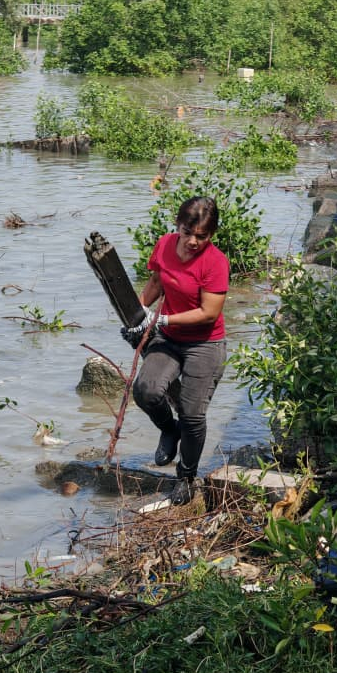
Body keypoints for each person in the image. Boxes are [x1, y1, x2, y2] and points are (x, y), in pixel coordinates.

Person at [121, 196, 230, 506]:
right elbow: (156, 281)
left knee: (193, 415)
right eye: (187, 232)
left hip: (205, 343)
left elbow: (209, 313)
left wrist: (162, 319)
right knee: (146, 391)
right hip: (169, 339)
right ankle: (169, 430)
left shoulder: (216, 262)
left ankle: (186, 476)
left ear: (211, 234)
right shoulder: (165, 244)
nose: (193, 241)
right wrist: (137, 315)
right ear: (178, 226)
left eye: (201, 236)